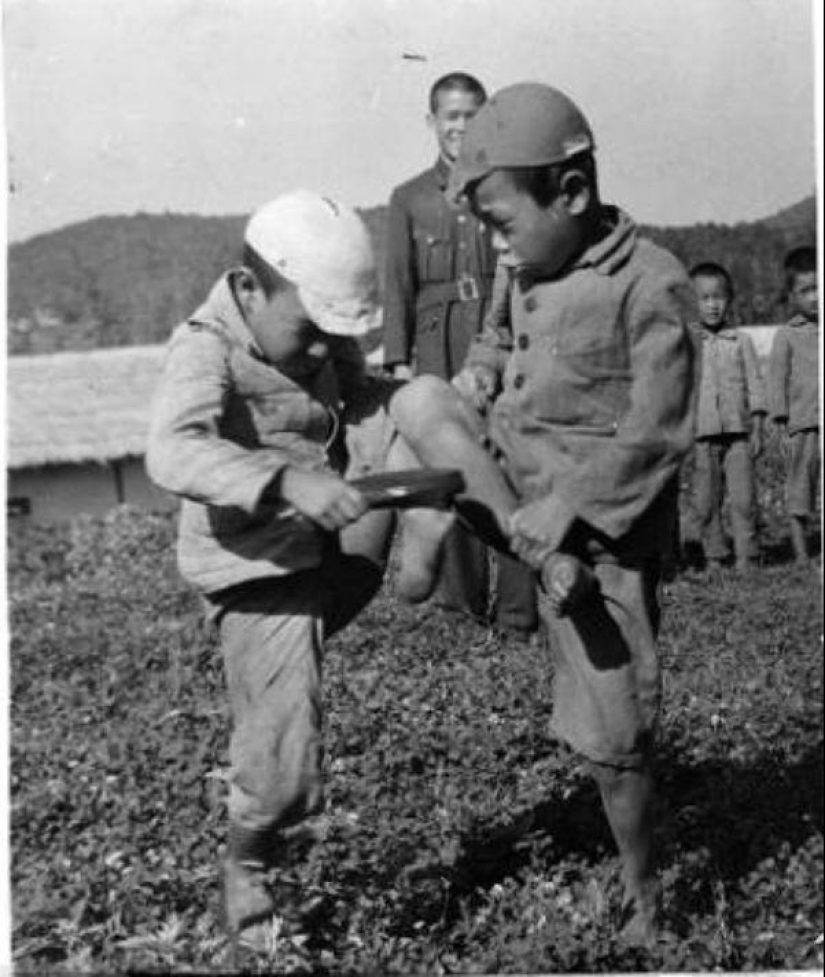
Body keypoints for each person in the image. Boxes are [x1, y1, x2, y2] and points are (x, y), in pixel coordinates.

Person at [387, 82, 697, 942]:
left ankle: (645, 899)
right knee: (417, 401)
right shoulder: (523, 266)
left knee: (617, 740)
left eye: (500, 222)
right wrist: (479, 374)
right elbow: (491, 342)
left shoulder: (652, 283)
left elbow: (657, 430)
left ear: (570, 193)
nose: (495, 246)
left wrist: (567, 511)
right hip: (510, 493)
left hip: (592, 534)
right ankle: (422, 541)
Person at [145, 190, 452, 946]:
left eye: (332, 337)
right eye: (309, 333)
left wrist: (428, 406)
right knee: (283, 760)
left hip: (331, 543)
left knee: (420, 405)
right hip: (256, 571)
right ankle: (246, 869)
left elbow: (364, 394)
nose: (322, 352)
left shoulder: (317, 338)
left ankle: (421, 541)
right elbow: (171, 450)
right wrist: (283, 479)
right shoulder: (205, 346)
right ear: (249, 290)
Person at [382, 70, 538, 638]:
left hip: (499, 334)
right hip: (436, 343)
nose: (461, 127)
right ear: (432, 123)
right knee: (450, 469)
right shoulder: (408, 198)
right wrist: (400, 366)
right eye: (451, 117)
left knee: (510, 457)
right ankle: (464, 608)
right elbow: (395, 286)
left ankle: (521, 614)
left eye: (472, 116)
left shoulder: (506, 188)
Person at [689, 261, 767, 571]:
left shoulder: (742, 342)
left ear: (729, 299)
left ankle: (747, 555)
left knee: (744, 499)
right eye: (703, 298)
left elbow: (756, 387)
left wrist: (758, 430)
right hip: (701, 436)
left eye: (718, 297)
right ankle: (715, 556)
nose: (712, 305)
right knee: (706, 501)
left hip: (739, 435)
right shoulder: (688, 344)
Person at [769, 245, 820, 565]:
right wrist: (780, 424)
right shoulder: (787, 335)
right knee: (800, 490)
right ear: (791, 295)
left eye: (820, 287)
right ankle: (801, 555)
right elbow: (777, 381)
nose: (815, 296)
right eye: (806, 290)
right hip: (802, 426)